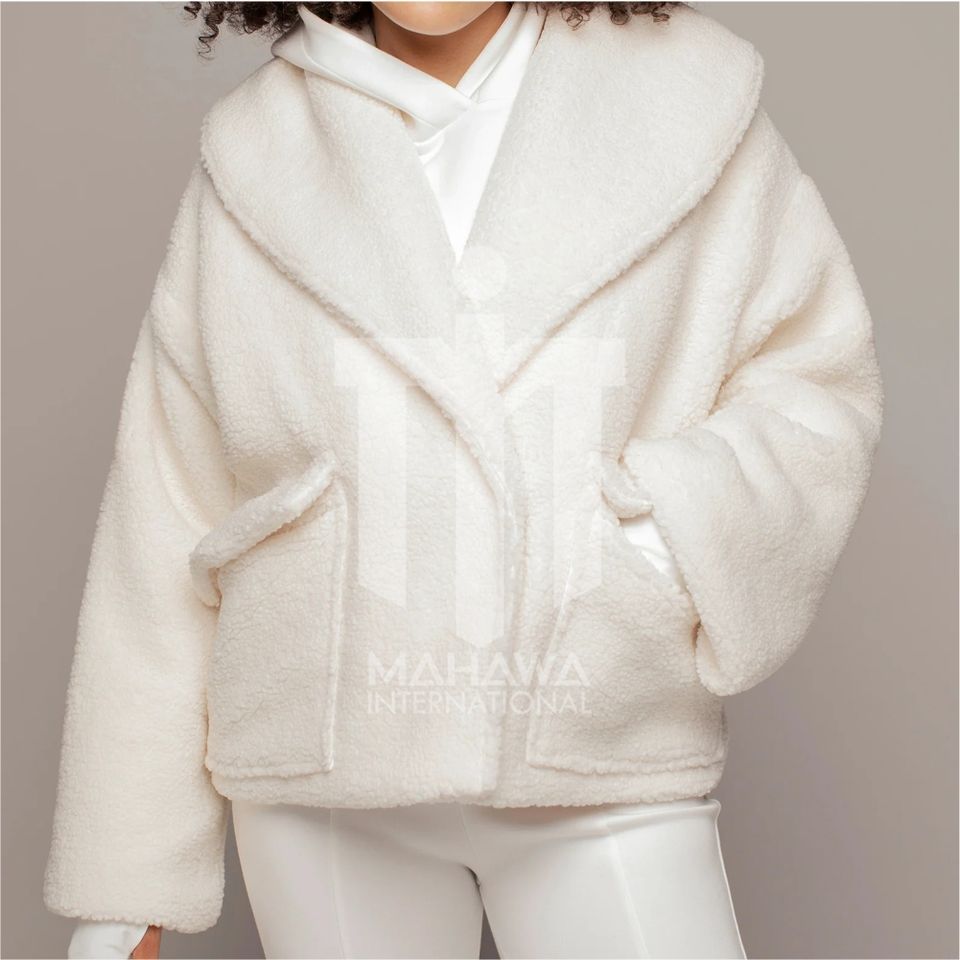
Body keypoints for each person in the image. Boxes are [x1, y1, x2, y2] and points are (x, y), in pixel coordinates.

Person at [44, 2, 884, 958]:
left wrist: (649, 553)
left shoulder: (687, 97)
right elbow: (165, 506)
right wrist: (126, 884)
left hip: (596, 739)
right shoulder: (254, 152)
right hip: (322, 777)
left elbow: (815, 385)